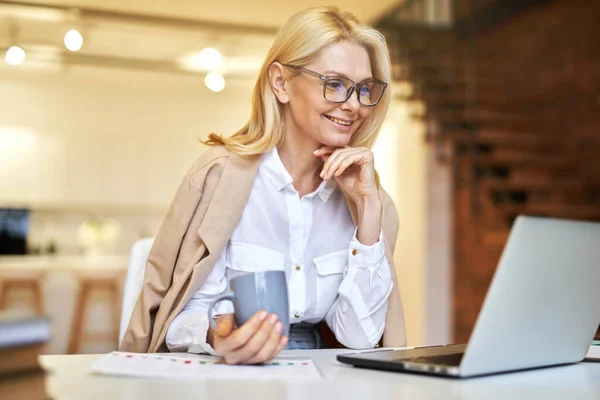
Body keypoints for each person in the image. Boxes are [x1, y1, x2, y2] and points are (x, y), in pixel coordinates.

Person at [120, 6, 406, 365]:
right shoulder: (219, 178)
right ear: (281, 83)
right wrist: (217, 335)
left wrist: (369, 213)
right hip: (223, 374)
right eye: (334, 84)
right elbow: (177, 318)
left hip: (320, 379)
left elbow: (360, 337)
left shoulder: (369, 200)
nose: (353, 105)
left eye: (364, 89)